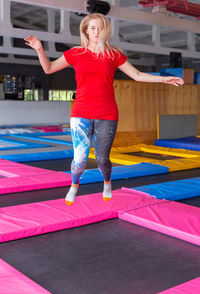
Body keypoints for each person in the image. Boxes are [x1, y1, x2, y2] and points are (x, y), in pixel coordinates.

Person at [24, 13, 184, 206]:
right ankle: (74, 185)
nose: (96, 32)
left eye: (100, 28)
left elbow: (138, 75)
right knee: (80, 160)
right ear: (86, 31)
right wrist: (40, 49)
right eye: (92, 28)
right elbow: (48, 69)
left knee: (102, 159)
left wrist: (166, 79)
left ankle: (107, 181)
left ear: (105, 30)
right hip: (81, 111)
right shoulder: (76, 53)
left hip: (107, 113)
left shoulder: (113, 54)